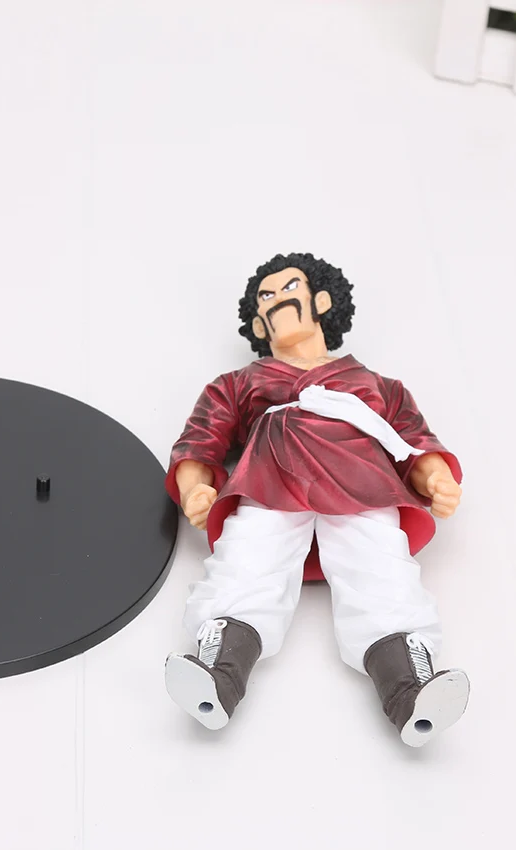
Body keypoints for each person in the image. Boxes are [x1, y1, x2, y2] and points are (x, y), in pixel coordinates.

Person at [164, 252, 468, 747]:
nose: (275, 300)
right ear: (258, 323)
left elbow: (412, 438)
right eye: (265, 297)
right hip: (269, 476)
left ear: (321, 301)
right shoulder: (237, 384)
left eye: (288, 289)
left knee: (378, 567)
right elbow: (201, 438)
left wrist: (434, 476)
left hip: (362, 480)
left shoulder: (380, 387)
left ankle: (411, 687)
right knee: (248, 561)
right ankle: (218, 672)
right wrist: (194, 486)